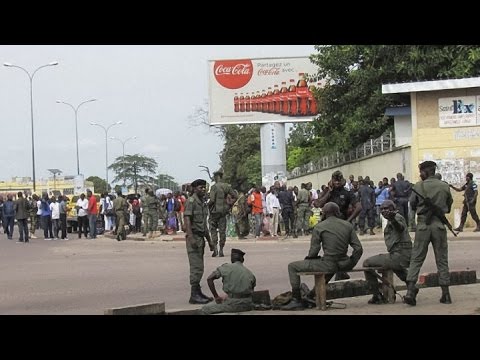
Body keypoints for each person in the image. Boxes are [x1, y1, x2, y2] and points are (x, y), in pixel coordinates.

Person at [281, 202, 363, 310]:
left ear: (323, 213)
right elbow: (358, 249)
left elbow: (314, 250)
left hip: (329, 264)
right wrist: (351, 262)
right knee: (328, 268)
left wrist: (309, 259)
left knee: (292, 266)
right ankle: (311, 296)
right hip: (344, 263)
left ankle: (296, 299)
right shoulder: (347, 225)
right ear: (337, 212)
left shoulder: (319, 227)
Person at [404, 161, 453, 306]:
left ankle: (410, 292)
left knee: (416, 259)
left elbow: (412, 205)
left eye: (421, 172)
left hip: (423, 226)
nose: (420, 174)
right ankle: (446, 294)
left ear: (426, 172)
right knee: (442, 260)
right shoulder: (444, 186)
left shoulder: (418, 186)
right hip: (439, 226)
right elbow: (448, 207)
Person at [362, 200, 412, 304]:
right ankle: (412, 288)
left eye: (387, 208)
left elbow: (400, 228)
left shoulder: (397, 217)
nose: (384, 211)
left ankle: (376, 295)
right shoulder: (392, 219)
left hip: (400, 255)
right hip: (400, 255)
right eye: (382, 209)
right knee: (397, 269)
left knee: (366, 263)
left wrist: (393, 219)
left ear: (393, 209)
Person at [316, 170, 362, 281]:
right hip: (327, 225)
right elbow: (318, 204)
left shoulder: (347, 193)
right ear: (331, 180)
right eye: (334, 180)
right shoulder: (327, 191)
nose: (336, 182)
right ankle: (337, 271)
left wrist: (348, 221)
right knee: (329, 249)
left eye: (338, 180)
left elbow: (359, 206)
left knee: (341, 249)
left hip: (341, 224)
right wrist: (329, 192)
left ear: (342, 180)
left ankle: (340, 271)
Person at [184, 178, 214, 304]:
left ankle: (198, 292)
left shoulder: (202, 202)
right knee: (196, 267)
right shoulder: (191, 201)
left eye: (204, 187)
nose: (203, 189)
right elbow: (187, 220)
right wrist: (191, 238)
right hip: (194, 237)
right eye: (201, 187)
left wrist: (210, 241)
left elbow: (204, 225)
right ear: (195, 189)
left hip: (200, 237)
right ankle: (194, 295)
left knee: (200, 266)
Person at [200, 248, 256, 315]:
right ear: (242, 260)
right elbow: (251, 291)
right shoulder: (249, 273)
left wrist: (216, 297)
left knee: (204, 309)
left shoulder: (226, 267)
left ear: (232, 259)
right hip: (247, 304)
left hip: (232, 304)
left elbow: (210, 279)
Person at [207, 170, 237, 257]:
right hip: (223, 212)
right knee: (222, 231)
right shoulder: (226, 186)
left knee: (213, 230)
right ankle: (221, 250)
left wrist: (206, 205)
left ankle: (215, 249)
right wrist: (229, 204)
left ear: (216, 177)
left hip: (214, 212)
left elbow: (212, 200)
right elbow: (235, 196)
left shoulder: (214, 187)